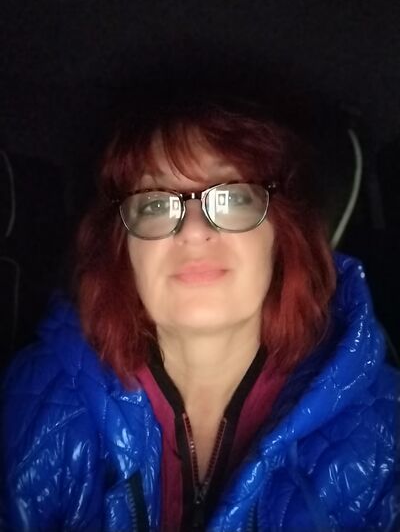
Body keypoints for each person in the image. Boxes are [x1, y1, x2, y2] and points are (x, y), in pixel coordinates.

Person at [1, 96, 399, 532]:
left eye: (233, 198)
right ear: (123, 249)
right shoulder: (38, 395)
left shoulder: (383, 425)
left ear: (281, 236)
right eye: (155, 204)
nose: (193, 230)